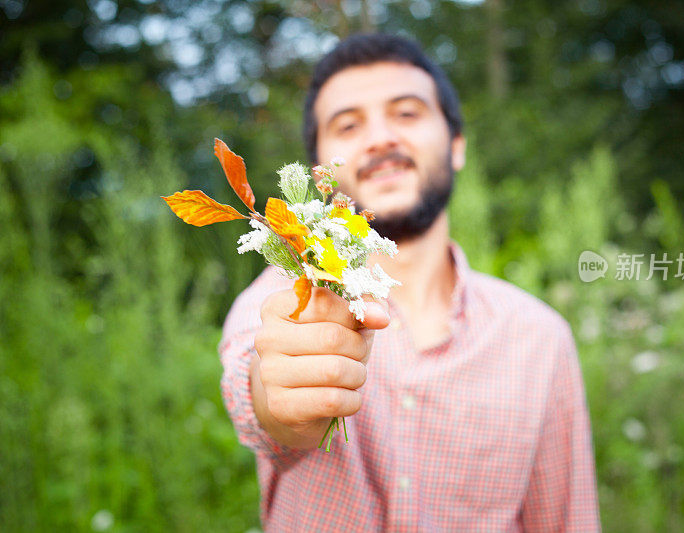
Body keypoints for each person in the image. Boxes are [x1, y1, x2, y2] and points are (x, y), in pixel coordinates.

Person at [219, 33, 600, 532]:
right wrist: (283, 401)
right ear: (320, 173)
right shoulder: (285, 296)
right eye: (349, 124)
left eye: (406, 113)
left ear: (456, 145)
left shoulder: (539, 337)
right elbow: (258, 387)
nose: (380, 138)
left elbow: (564, 521)